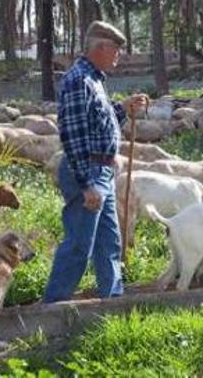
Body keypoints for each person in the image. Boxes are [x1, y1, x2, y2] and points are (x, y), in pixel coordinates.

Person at [43, 20, 148, 303]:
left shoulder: (95, 80)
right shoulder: (79, 81)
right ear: (100, 47)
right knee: (80, 244)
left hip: (102, 170)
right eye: (115, 49)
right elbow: (73, 135)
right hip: (88, 171)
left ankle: (112, 302)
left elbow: (97, 123)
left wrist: (123, 109)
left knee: (109, 242)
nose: (119, 56)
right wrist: (86, 183)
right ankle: (51, 310)